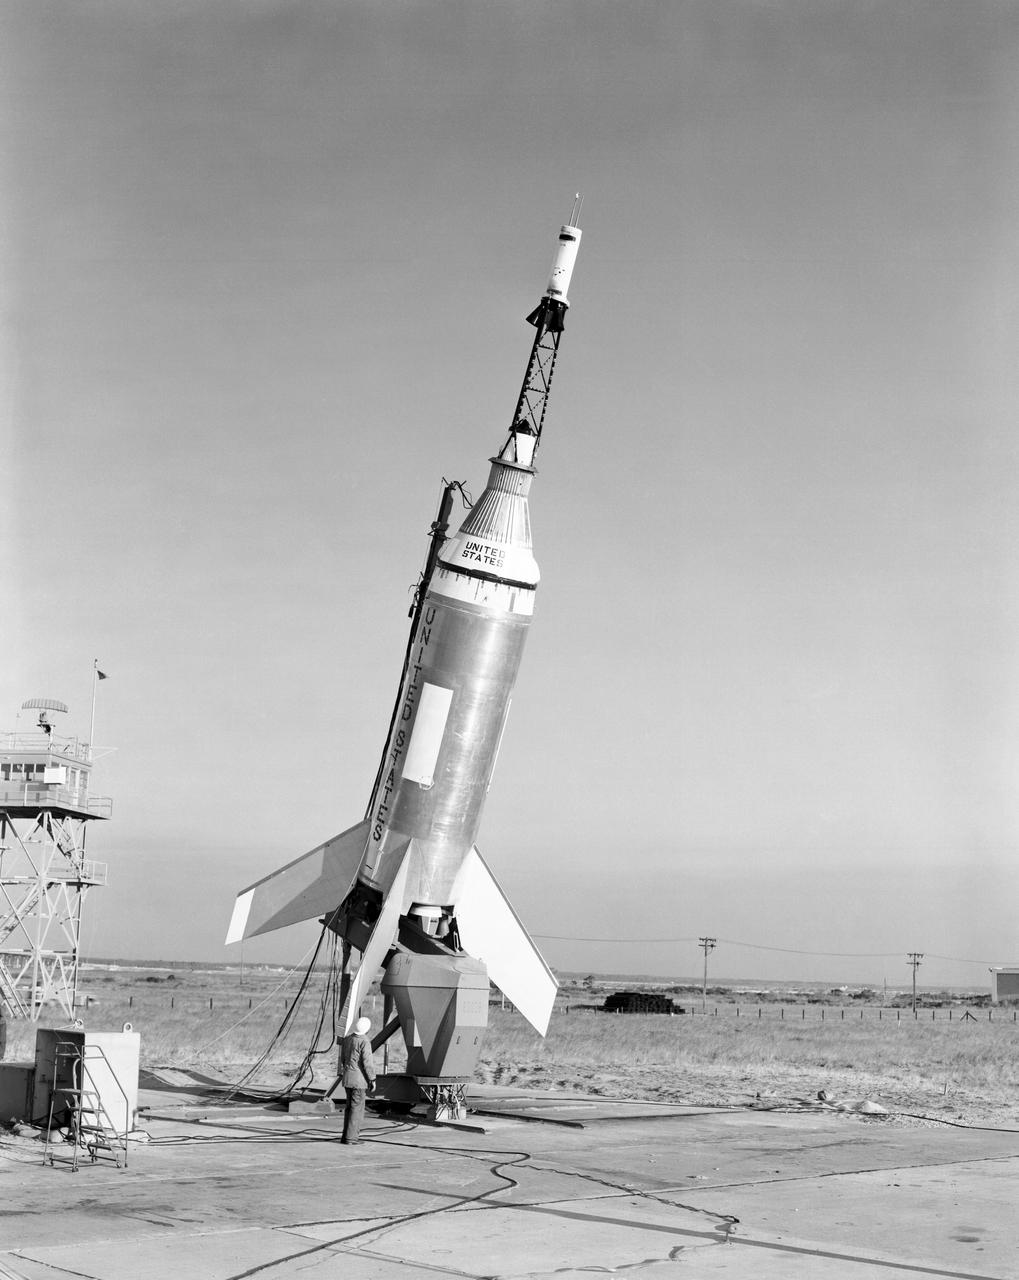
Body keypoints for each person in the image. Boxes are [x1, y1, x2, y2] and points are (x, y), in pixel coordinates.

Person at [338, 1015, 376, 1145]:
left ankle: (346, 1136)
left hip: (347, 1078)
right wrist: (372, 1079)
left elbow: (343, 1059)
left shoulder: (348, 1039)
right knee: (357, 1109)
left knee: (349, 1108)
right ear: (367, 1029)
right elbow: (367, 1063)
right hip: (359, 1081)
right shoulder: (364, 1041)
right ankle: (351, 1138)